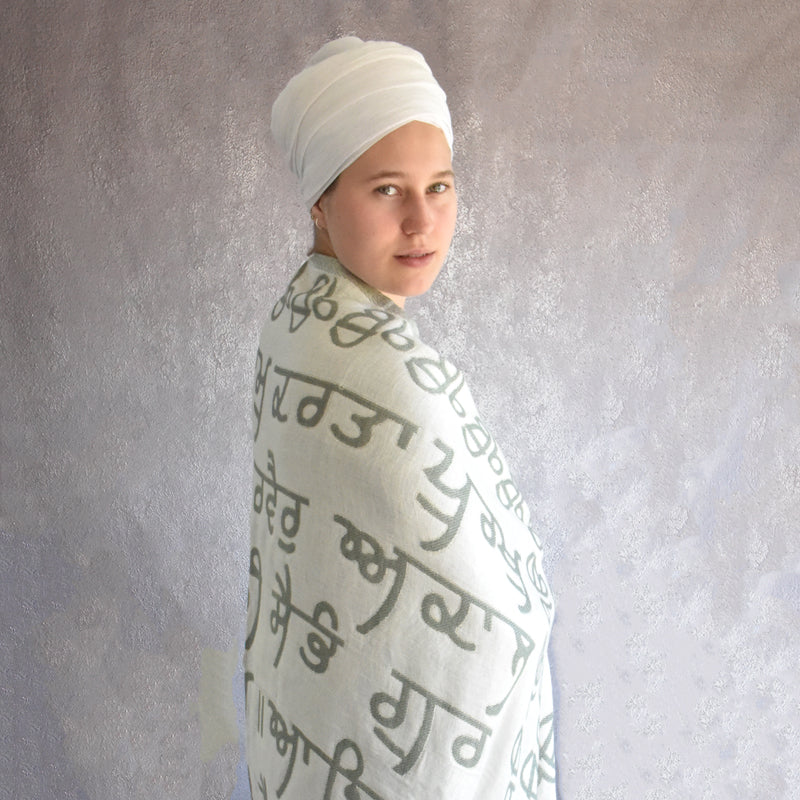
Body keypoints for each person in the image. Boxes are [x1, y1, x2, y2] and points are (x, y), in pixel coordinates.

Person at [244, 36, 556, 799]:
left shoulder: (300, 321)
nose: (424, 221)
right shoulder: (383, 375)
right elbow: (505, 614)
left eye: (441, 185)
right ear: (321, 199)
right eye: (387, 190)